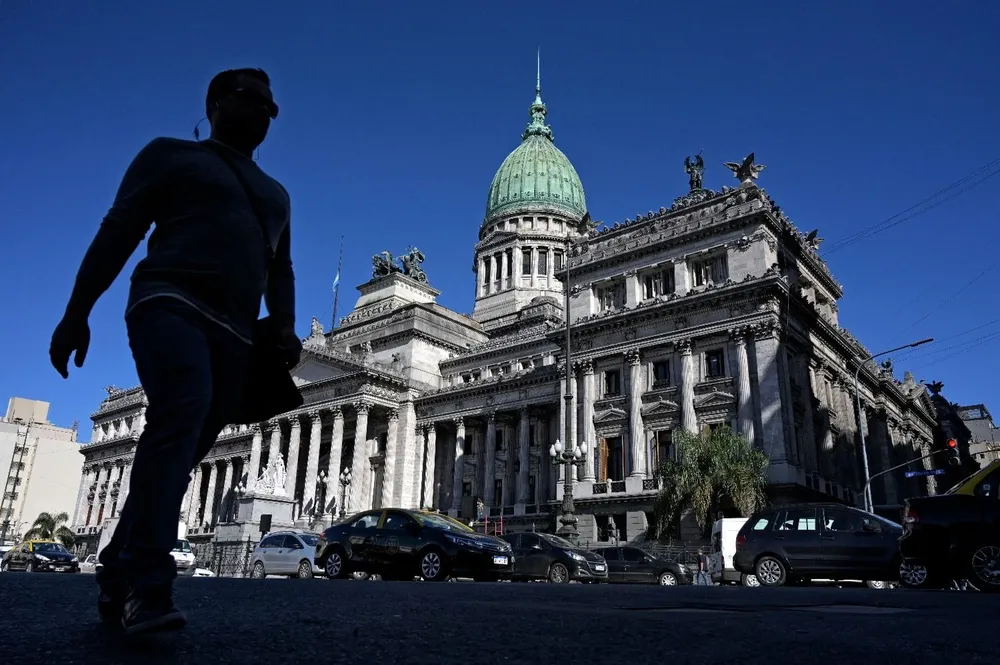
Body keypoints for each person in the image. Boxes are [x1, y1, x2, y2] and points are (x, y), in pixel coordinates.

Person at [48, 68, 301, 635]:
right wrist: (77, 310)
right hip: (169, 301)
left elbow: (279, 266)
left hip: (237, 333)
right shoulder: (169, 156)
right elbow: (118, 230)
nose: (261, 112)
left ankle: (117, 567)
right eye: (249, 100)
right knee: (181, 410)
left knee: (181, 450)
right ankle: (149, 583)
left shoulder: (275, 194)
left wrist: (283, 324)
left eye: (269, 107)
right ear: (214, 103)